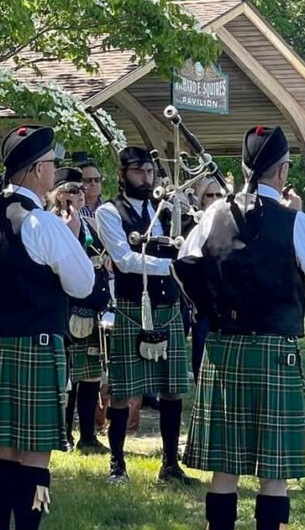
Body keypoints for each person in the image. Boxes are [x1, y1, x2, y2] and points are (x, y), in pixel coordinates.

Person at [173, 125, 305, 530]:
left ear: (245, 166)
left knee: (224, 470)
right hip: (273, 352)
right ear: (282, 172)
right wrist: (294, 213)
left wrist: (208, 307)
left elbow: (184, 263)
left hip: (223, 349)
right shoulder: (293, 222)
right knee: (274, 475)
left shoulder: (214, 214)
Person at [0, 125, 95, 530]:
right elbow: (83, 284)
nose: (54, 172)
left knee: (5, 449)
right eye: (52, 165)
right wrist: (73, 240)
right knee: (36, 452)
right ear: (38, 169)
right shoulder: (41, 223)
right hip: (37, 347)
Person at [95, 146, 193, 485]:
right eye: (139, 171)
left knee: (172, 388)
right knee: (122, 390)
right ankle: (117, 464)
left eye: (150, 171)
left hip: (167, 307)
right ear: (122, 175)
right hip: (132, 307)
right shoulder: (109, 212)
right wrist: (174, 268)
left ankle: (169, 465)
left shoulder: (163, 209)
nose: (146, 177)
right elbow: (123, 260)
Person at [49, 166, 111, 455]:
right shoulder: (51, 223)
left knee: (90, 375)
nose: (80, 194)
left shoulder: (90, 224)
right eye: (72, 189)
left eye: (82, 189)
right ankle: (62, 435)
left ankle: (87, 435)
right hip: (64, 309)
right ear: (58, 195)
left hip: (91, 308)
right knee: (65, 379)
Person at [186, 176, 224, 382]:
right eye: (210, 195)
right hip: (199, 294)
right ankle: (202, 385)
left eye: (219, 194)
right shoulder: (193, 221)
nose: (215, 199)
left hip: (224, 292)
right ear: (202, 199)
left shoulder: (230, 219)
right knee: (200, 339)